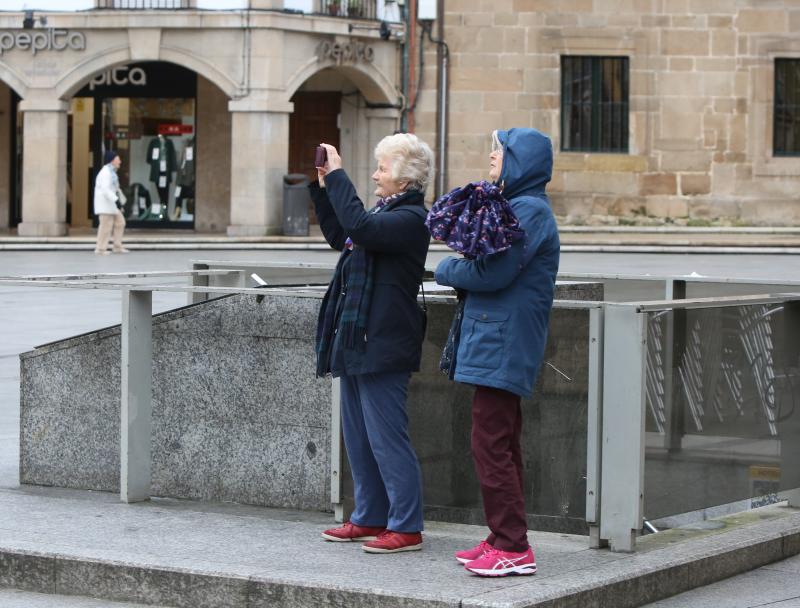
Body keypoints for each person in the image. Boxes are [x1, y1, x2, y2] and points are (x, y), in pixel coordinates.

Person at [434, 128, 560, 577]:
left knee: (490, 445)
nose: (491, 155)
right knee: (499, 442)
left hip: (503, 343)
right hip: (497, 341)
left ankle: (513, 546)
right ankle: (500, 536)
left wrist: (446, 268)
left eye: (500, 150)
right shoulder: (521, 207)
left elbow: (493, 273)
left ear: (519, 161)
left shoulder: (528, 211)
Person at [312, 133, 433, 554]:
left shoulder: (410, 219)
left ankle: (407, 525)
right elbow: (340, 232)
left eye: (382, 168)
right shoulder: (384, 214)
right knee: (360, 437)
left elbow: (360, 226)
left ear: (404, 179)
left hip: (384, 341)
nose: (376, 175)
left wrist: (341, 175)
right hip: (358, 338)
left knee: (386, 438)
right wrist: (327, 187)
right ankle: (369, 517)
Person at [93, 150, 129, 255]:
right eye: (118, 159)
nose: (120, 161)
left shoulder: (112, 173)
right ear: (112, 160)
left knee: (120, 222)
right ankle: (100, 249)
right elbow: (105, 190)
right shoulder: (105, 173)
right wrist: (116, 200)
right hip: (105, 205)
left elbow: (114, 189)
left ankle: (117, 246)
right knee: (105, 226)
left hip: (111, 205)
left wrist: (119, 200)